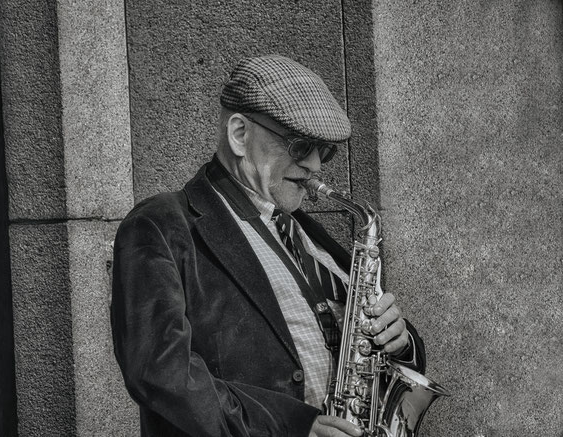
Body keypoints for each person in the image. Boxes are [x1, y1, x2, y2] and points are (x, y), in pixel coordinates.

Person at [111, 55, 426, 437]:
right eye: (300, 146)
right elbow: (159, 371)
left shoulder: (306, 232)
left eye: (323, 151)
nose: (315, 166)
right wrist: (292, 427)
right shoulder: (160, 224)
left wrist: (399, 341)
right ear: (240, 135)